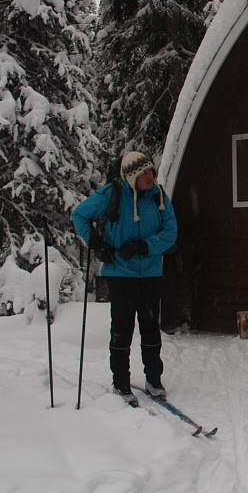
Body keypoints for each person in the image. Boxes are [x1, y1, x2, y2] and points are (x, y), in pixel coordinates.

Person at [72, 151, 177, 406]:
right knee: (122, 329)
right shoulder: (112, 194)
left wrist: (145, 246)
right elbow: (79, 215)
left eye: (151, 170)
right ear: (131, 176)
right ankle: (121, 383)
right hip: (120, 275)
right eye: (144, 173)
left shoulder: (159, 196)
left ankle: (154, 379)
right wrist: (97, 244)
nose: (150, 176)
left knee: (150, 328)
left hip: (151, 273)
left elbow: (170, 232)